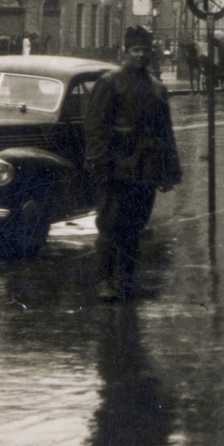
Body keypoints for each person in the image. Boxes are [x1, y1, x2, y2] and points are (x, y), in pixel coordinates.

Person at [86, 25, 182, 301]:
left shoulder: (156, 87)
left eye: (145, 50)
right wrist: (99, 163)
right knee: (110, 223)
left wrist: (169, 170)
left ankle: (127, 279)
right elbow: (96, 127)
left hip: (146, 168)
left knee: (136, 225)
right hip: (116, 166)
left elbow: (165, 132)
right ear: (125, 52)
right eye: (135, 50)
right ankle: (104, 281)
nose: (141, 55)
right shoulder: (110, 83)